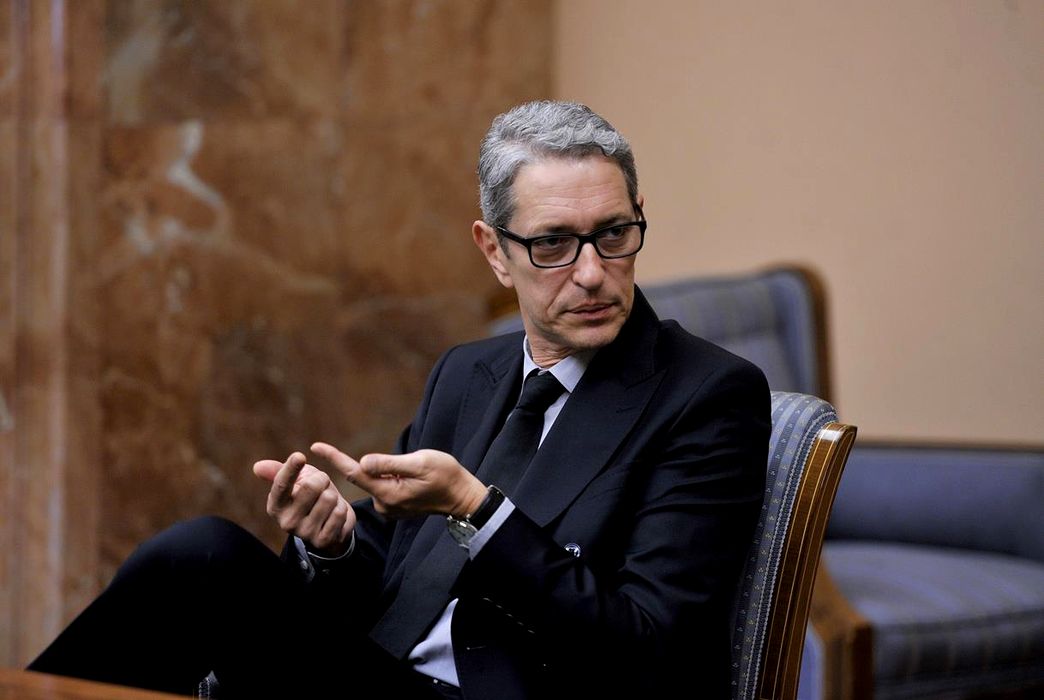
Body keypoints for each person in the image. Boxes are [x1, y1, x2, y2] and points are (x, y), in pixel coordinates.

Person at [29, 100, 769, 699]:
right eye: (552, 244)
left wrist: (479, 511)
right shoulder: (469, 373)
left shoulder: (708, 395)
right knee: (195, 559)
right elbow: (394, 567)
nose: (591, 272)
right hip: (382, 674)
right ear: (494, 251)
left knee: (207, 559)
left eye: (613, 234)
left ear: (638, 215)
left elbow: (648, 650)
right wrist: (335, 545)